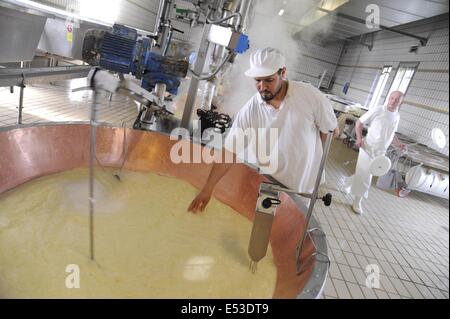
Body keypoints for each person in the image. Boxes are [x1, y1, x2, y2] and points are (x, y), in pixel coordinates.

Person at [188, 47, 338, 213]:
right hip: (269, 181)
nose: (262, 87)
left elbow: (330, 131)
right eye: (257, 80)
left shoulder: (309, 96)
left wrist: (313, 160)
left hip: (303, 186)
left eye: (269, 80)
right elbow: (229, 151)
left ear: (283, 73)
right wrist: (208, 188)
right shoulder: (253, 107)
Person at [344, 91, 405, 214]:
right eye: (392, 98)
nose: (393, 101)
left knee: (364, 173)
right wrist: (359, 138)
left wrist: (398, 144)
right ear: (388, 98)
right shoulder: (379, 110)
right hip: (368, 148)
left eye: (396, 100)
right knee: (366, 177)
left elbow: (391, 133)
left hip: (380, 152)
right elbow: (359, 123)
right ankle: (357, 202)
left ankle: (349, 182)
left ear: (400, 102)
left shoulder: (397, 116)